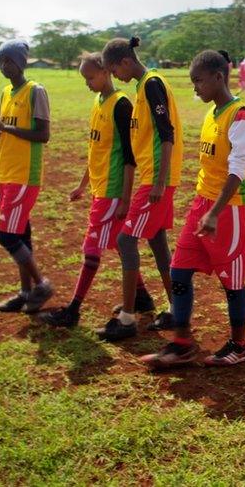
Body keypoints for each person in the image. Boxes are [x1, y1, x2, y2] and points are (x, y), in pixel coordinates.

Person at [141, 50, 245, 369]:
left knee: (232, 281)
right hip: (203, 204)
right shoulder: (212, 113)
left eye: (198, 80)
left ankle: (240, 344)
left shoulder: (240, 117)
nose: (195, 87)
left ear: (218, 77)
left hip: (230, 209)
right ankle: (181, 344)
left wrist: (215, 212)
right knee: (179, 270)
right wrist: (203, 208)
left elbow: (237, 170)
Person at [38, 53, 148, 330]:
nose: (87, 83)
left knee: (91, 249)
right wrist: (82, 184)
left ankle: (73, 310)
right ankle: (143, 298)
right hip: (100, 188)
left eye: (90, 77)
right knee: (120, 246)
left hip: (112, 191)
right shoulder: (98, 102)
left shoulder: (121, 105)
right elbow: (95, 150)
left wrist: (124, 198)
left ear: (105, 72)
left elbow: (129, 157)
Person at [93, 37, 182, 341]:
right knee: (157, 242)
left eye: (113, 70)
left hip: (155, 181)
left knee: (126, 240)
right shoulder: (142, 86)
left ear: (125, 63)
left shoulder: (151, 84)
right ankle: (177, 308)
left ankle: (128, 318)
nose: (114, 76)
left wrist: (159, 181)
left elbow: (166, 133)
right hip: (153, 177)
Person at [0, 39, 54, 315]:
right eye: (1, 61)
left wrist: (6, 129)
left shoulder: (35, 92)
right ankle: (26, 292)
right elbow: (7, 132)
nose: (5, 66)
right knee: (20, 233)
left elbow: (43, 135)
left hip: (24, 174)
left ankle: (41, 285)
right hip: (7, 171)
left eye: (10, 61)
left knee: (7, 236)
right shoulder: (6, 92)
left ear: (21, 63)